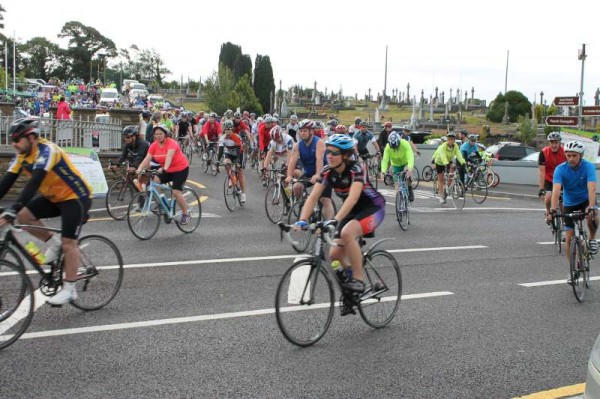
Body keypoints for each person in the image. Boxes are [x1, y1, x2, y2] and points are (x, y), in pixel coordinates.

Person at [0, 118, 92, 305]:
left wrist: (13, 208)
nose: (14, 144)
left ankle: (69, 289)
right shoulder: (21, 157)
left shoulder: (47, 150)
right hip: (54, 197)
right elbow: (6, 183)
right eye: (12, 140)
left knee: (69, 243)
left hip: (75, 197)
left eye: (17, 139)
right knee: (24, 215)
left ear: (32, 137)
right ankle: (53, 243)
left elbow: (34, 183)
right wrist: (16, 210)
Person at [294, 134, 385, 303]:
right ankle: (351, 283)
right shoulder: (328, 171)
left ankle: (359, 280)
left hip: (373, 208)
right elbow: (313, 197)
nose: (329, 155)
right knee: (335, 254)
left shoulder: (357, 168)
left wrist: (334, 219)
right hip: (350, 211)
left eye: (334, 153)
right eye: (328, 151)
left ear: (345, 155)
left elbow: (353, 198)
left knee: (347, 233)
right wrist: (302, 220)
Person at [547, 141, 598, 283]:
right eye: (568, 155)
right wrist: (552, 210)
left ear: (580, 155)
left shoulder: (588, 167)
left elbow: (592, 189)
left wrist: (591, 207)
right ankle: (573, 268)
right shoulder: (560, 169)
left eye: (574, 156)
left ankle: (592, 239)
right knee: (569, 239)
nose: (570, 159)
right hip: (570, 203)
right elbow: (556, 190)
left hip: (586, 200)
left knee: (593, 216)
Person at [136, 124, 192, 224]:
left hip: (180, 169)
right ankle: (162, 205)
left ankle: (185, 213)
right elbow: (147, 159)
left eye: (160, 134)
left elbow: (169, 157)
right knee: (155, 181)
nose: (158, 136)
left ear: (165, 134)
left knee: (176, 192)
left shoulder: (172, 143)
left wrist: (164, 168)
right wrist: (140, 168)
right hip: (167, 170)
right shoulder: (153, 145)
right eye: (156, 134)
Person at [285, 119, 334, 219]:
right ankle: (307, 207)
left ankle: (329, 225)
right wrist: (289, 176)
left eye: (305, 131)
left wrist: (317, 174)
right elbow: (292, 162)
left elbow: (319, 160)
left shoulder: (319, 142)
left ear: (311, 131)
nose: (302, 133)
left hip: (324, 173)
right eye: (301, 131)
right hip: (308, 172)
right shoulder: (297, 145)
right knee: (297, 187)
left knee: (325, 200)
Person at [217, 120, 248, 204]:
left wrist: (238, 161)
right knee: (226, 162)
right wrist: (217, 161)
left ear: (232, 129)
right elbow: (220, 151)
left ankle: (243, 193)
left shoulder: (236, 137)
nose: (228, 131)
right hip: (229, 153)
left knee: (240, 171)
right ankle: (231, 177)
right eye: (226, 129)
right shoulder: (223, 138)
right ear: (224, 130)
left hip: (239, 153)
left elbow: (238, 151)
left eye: (229, 129)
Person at [538, 132, 566, 221]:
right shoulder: (543, 152)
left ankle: (564, 221)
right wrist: (541, 189)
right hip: (549, 179)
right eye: (552, 142)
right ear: (548, 143)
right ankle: (548, 211)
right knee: (548, 198)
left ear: (560, 143)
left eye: (556, 142)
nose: (554, 145)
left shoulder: (565, 152)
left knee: (563, 204)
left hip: (562, 180)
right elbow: (542, 172)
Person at [380, 131, 415, 201]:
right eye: (393, 147)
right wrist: (383, 171)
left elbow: (410, 157)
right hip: (396, 164)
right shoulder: (388, 147)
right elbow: (385, 160)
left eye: (396, 147)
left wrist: (410, 168)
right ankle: (399, 200)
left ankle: (410, 188)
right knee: (397, 183)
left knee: (407, 174)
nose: (395, 149)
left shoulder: (405, 143)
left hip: (406, 163)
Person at [434, 132, 466, 204]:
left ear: (454, 140)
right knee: (441, 179)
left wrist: (463, 162)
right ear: (447, 140)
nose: (451, 141)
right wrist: (446, 164)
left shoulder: (455, 146)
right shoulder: (443, 146)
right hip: (440, 162)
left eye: (452, 139)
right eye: (449, 139)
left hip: (448, 160)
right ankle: (441, 196)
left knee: (452, 172)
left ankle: (446, 190)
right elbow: (442, 156)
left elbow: (459, 155)